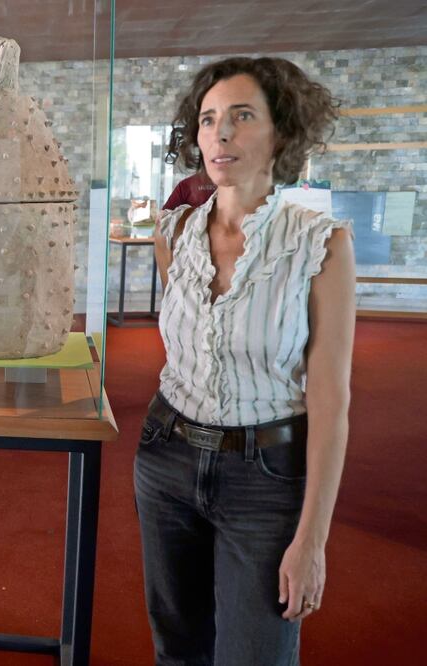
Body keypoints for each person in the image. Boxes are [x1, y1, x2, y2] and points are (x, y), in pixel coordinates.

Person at [136, 56, 355, 664]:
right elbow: (186, 354)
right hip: (167, 458)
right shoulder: (174, 232)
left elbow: (332, 402)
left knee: (254, 653)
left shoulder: (321, 244)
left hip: (265, 474)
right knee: (177, 648)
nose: (220, 134)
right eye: (207, 120)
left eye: (240, 116)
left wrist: (312, 540)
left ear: (280, 131)